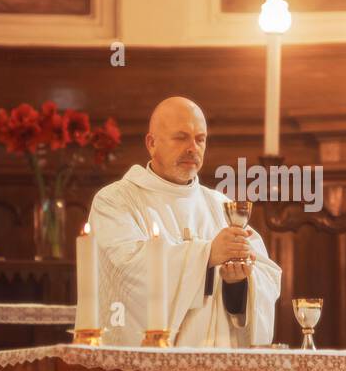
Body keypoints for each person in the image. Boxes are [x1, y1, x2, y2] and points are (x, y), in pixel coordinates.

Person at [88, 97, 281, 347]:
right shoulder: (116, 201)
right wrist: (208, 253)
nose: (193, 147)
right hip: (146, 368)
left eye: (200, 139)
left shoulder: (222, 207)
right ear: (151, 143)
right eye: (181, 137)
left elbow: (266, 274)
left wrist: (239, 283)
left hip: (218, 368)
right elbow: (126, 271)